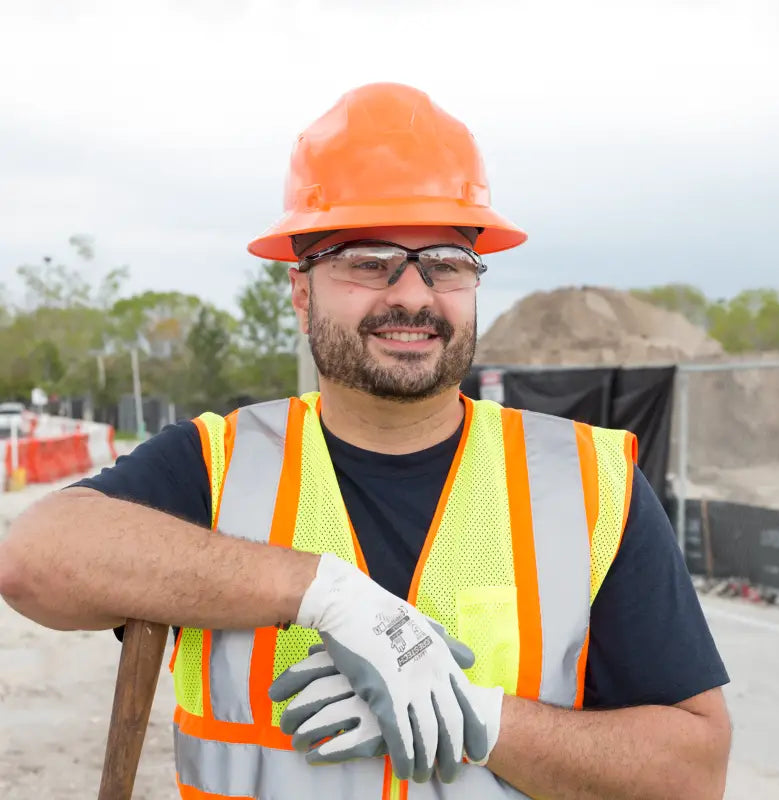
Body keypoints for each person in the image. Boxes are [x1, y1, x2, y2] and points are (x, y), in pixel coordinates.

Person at [0, 83, 731, 799]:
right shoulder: (221, 466)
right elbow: (34, 561)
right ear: (300, 290)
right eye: (368, 261)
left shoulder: (586, 484)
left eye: (445, 262)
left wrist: (480, 717)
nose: (412, 294)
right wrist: (325, 594)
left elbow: (692, 774)